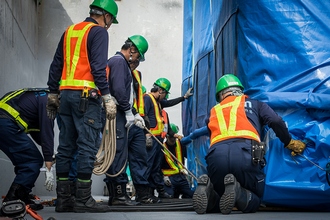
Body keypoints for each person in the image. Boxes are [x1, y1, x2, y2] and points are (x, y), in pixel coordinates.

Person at [192, 74, 306, 215]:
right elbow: (275, 121)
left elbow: (211, 134)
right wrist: (289, 142)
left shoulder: (213, 112)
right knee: (255, 198)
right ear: (240, 90)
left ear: (220, 96)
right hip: (245, 154)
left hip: (216, 156)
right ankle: (239, 192)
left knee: (221, 195)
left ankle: (210, 192)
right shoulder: (255, 103)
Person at [46, 0, 118, 213]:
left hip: (65, 96)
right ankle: (83, 199)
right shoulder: (98, 32)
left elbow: (56, 63)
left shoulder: (70, 31)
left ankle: (63, 200)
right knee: (87, 146)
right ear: (105, 15)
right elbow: (97, 67)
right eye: (111, 20)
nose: (110, 25)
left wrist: (52, 92)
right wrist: (106, 96)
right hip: (86, 98)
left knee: (66, 148)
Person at [104, 35, 148, 206]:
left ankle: (118, 196)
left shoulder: (119, 63)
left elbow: (126, 96)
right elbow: (119, 91)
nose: (137, 61)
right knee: (117, 154)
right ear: (132, 50)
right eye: (138, 56)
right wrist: (128, 112)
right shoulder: (119, 62)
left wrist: (135, 113)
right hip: (118, 115)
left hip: (121, 113)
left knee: (119, 152)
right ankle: (118, 196)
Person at [0, 88, 55, 214]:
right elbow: (47, 132)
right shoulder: (50, 102)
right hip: (5, 123)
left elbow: (38, 133)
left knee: (24, 160)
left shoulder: (39, 95)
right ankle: (12, 200)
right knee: (33, 161)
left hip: (4, 122)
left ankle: (22, 196)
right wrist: (48, 163)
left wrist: (50, 153)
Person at [144, 78, 179, 200]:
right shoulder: (147, 99)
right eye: (164, 95)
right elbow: (144, 117)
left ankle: (159, 191)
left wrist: (183, 98)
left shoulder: (157, 102)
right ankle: (146, 193)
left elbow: (169, 104)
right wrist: (146, 135)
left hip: (158, 141)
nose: (165, 99)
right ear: (160, 90)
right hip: (151, 139)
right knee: (148, 166)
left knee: (156, 167)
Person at [162, 123, 194, 198]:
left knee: (192, 196)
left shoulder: (181, 144)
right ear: (166, 136)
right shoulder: (162, 148)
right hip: (169, 179)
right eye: (171, 137)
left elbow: (190, 157)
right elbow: (157, 166)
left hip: (181, 177)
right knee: (169, 197)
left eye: (174, 137)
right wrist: (163, 177)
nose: (173, 139)